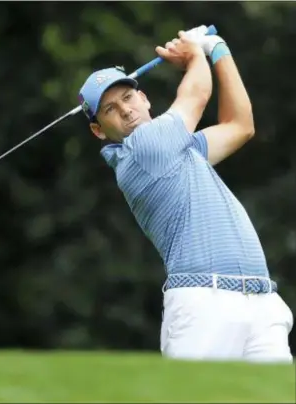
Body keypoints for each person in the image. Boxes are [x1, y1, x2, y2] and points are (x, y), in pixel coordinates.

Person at [77, 27, 294, 362]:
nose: (125, 110)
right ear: (98, 130)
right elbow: (196, 95)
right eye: (109, 109)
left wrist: (217, 49)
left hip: (261, 302)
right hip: (204, 302)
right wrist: (195, 52)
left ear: (143, 97)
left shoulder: (180, 151)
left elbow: (240, 125)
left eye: (127, 97)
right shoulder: (143, 151)